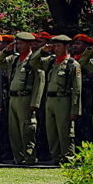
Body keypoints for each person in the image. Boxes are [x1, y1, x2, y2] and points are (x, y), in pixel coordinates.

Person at [0, 33, 45, 165]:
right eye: (17, 43)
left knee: (27, 130)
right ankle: (18, 158)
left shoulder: (34, 60)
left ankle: (29, 158)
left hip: (26, 98)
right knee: (14, 131)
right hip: (13, 98)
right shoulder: (15, 59)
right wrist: (6, 51)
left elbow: (40, 82)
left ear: (30, 44)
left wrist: (35, 102)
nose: (18, 46)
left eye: (21, 43)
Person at [30, 35, 82, 164]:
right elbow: (33, 62)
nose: (55, 49)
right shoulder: (51, 61)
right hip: (50, 100)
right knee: (51, 132)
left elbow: (77, 89)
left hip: (63, 100)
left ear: (66, 46)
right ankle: (56, 158)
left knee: (65, 132)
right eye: (54, 46)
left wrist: (75, 109)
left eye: (58, 46)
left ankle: (68, 158)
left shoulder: (72, 64)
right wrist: (43, 50)